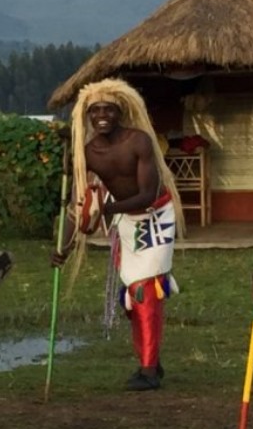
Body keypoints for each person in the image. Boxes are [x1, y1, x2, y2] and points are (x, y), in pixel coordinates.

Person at [52, 78, 184, 391]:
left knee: (145, 291)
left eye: (108, 109)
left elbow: (149, 194)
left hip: (155, 217)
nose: (102, 115)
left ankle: (149, 371)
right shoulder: (87, 154)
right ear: (87, 115)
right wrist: (64, 247)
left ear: (119, 112)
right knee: (131, 301)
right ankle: (151, 360)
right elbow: (77, 205)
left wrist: (107, 211)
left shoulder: (138, 141)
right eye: (95, 110)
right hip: (126, 220)